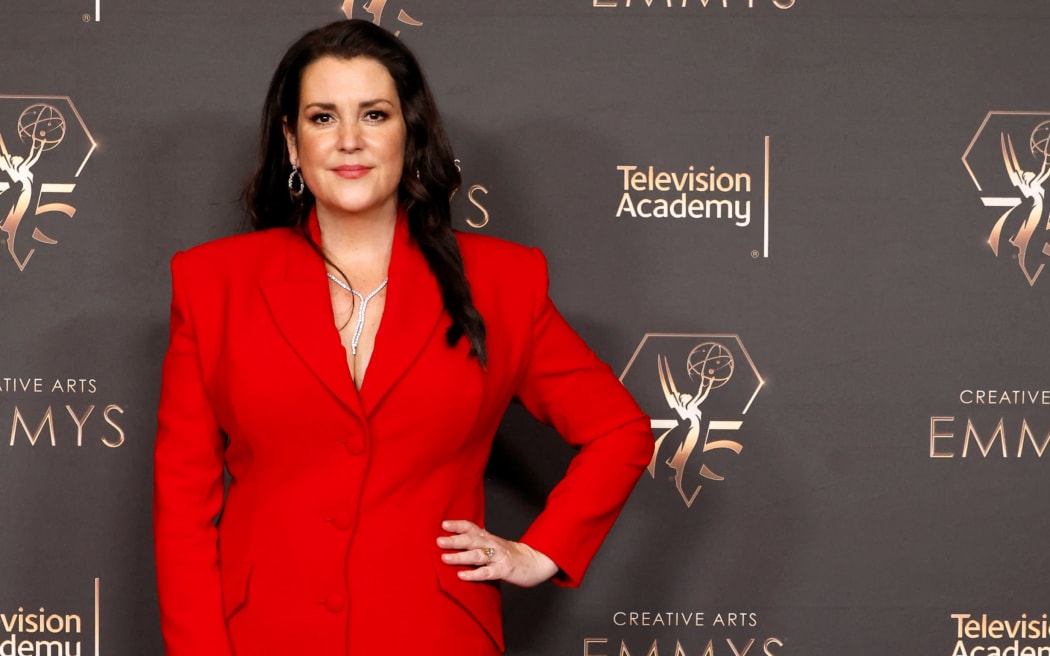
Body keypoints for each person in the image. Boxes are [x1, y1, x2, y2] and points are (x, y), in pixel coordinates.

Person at [153, 18, 653, 656]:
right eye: (323, 118)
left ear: (410, 131)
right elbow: (182, 510)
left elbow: (620, 431)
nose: (350, 141)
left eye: (375, 115)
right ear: (291, 139)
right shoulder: (211, 283)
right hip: (264, 636)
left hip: (436, 634)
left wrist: (539, 551)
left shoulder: (502, 281)